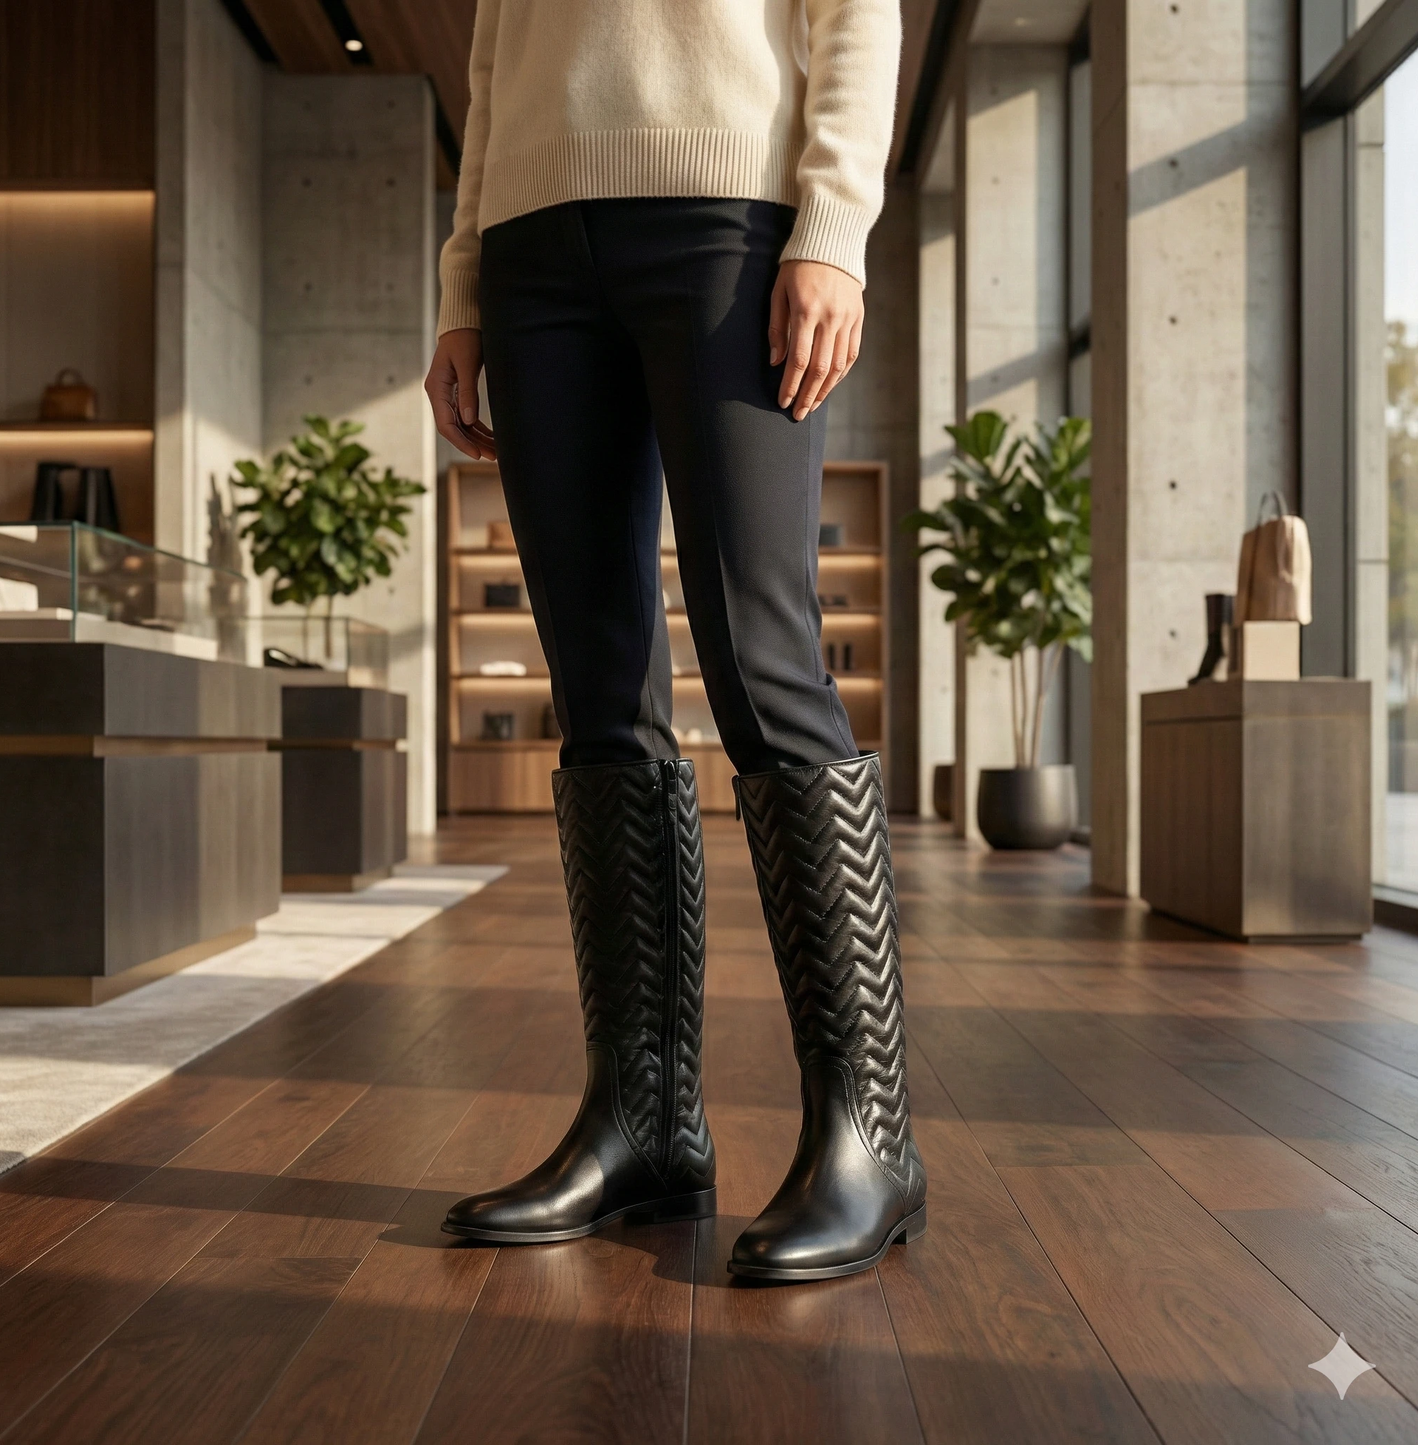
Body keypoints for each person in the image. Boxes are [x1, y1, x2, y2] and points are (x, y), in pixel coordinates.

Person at [426, 0, 924, 1283]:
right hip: (531, 249)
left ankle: (868, 1136)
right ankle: (640, 1121)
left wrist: (832, 231)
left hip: (728, 221)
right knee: (595, 687)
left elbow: (856, 15)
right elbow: (496, 60)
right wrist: (464, 281)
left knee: (761, 659)